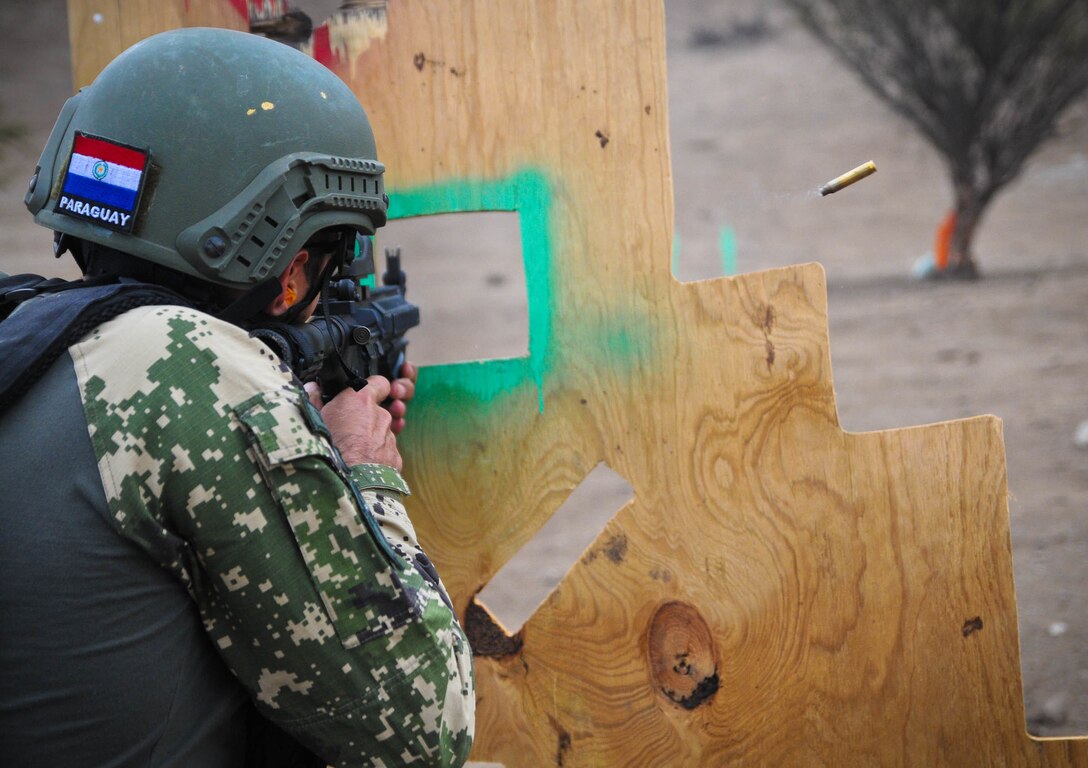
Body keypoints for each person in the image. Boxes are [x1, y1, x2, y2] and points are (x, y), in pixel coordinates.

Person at [0, 27, 474, 767]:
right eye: (317, 267)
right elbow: (421, 730)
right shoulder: (184, 362)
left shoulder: (25, 332)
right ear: (285, 263)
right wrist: (362, 470)